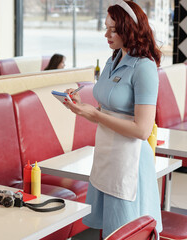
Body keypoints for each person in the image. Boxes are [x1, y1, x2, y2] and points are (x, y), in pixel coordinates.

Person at [64, 1, 162, 237]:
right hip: (106, 156)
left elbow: (142, 130)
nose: (105, 34)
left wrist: (95, 114)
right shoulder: (114, 58)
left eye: (113, 29)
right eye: (105, 27)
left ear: (129, 29)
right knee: (107, 232)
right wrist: (83, 108)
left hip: (130, 163)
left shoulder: (144, 67)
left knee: (124, 233)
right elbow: (107, 111)